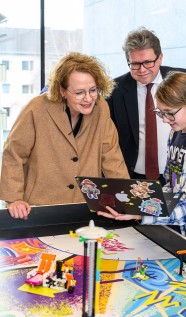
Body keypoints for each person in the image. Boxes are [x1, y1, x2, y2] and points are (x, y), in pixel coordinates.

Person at [0, 52, 129, 219]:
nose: (88, 98)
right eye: (79, 93)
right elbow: (14, 154)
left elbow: (112, 156)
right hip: (38, 207)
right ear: (62, 90)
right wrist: (14, 198)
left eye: (93, 90)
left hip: (83, 206)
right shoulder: (36, 108)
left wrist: (126, 200)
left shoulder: (101, 107)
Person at [98, 71, 186, 253]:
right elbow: (170, 186)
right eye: (161, 113)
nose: (166, 120)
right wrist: (140, 199)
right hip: (181, 235)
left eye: (170, 113)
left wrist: (141, 213)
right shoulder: (175, 134)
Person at [107, 26, 186, 185]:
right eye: (135, 64)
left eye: (148, 62)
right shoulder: (116, 90)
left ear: (160, 58)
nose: (142, 70)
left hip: (176, 174)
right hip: (133, 176)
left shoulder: (180, 78)